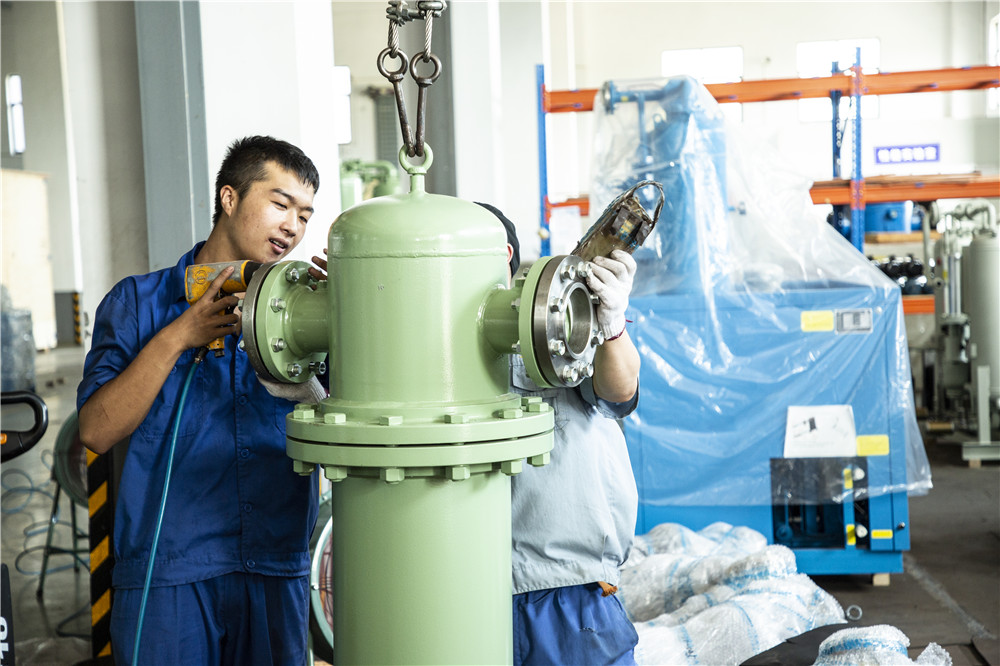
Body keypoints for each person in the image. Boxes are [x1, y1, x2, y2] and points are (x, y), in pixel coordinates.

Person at [77, 135, 328, 665]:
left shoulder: (305, 315)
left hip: (275, 561)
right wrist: (176, 337)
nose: (292, 226)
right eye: (280, 204)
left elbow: (346, 423)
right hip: (168, 572)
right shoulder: (138, 303)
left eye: (305, 215)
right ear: (229, 198)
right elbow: (96, 431)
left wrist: (347, 318)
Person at [478, 203, 642, 665]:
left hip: (562, 586)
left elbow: (619, 391)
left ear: (502, 254)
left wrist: (610, 325)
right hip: (465, 589)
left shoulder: (555, 316)